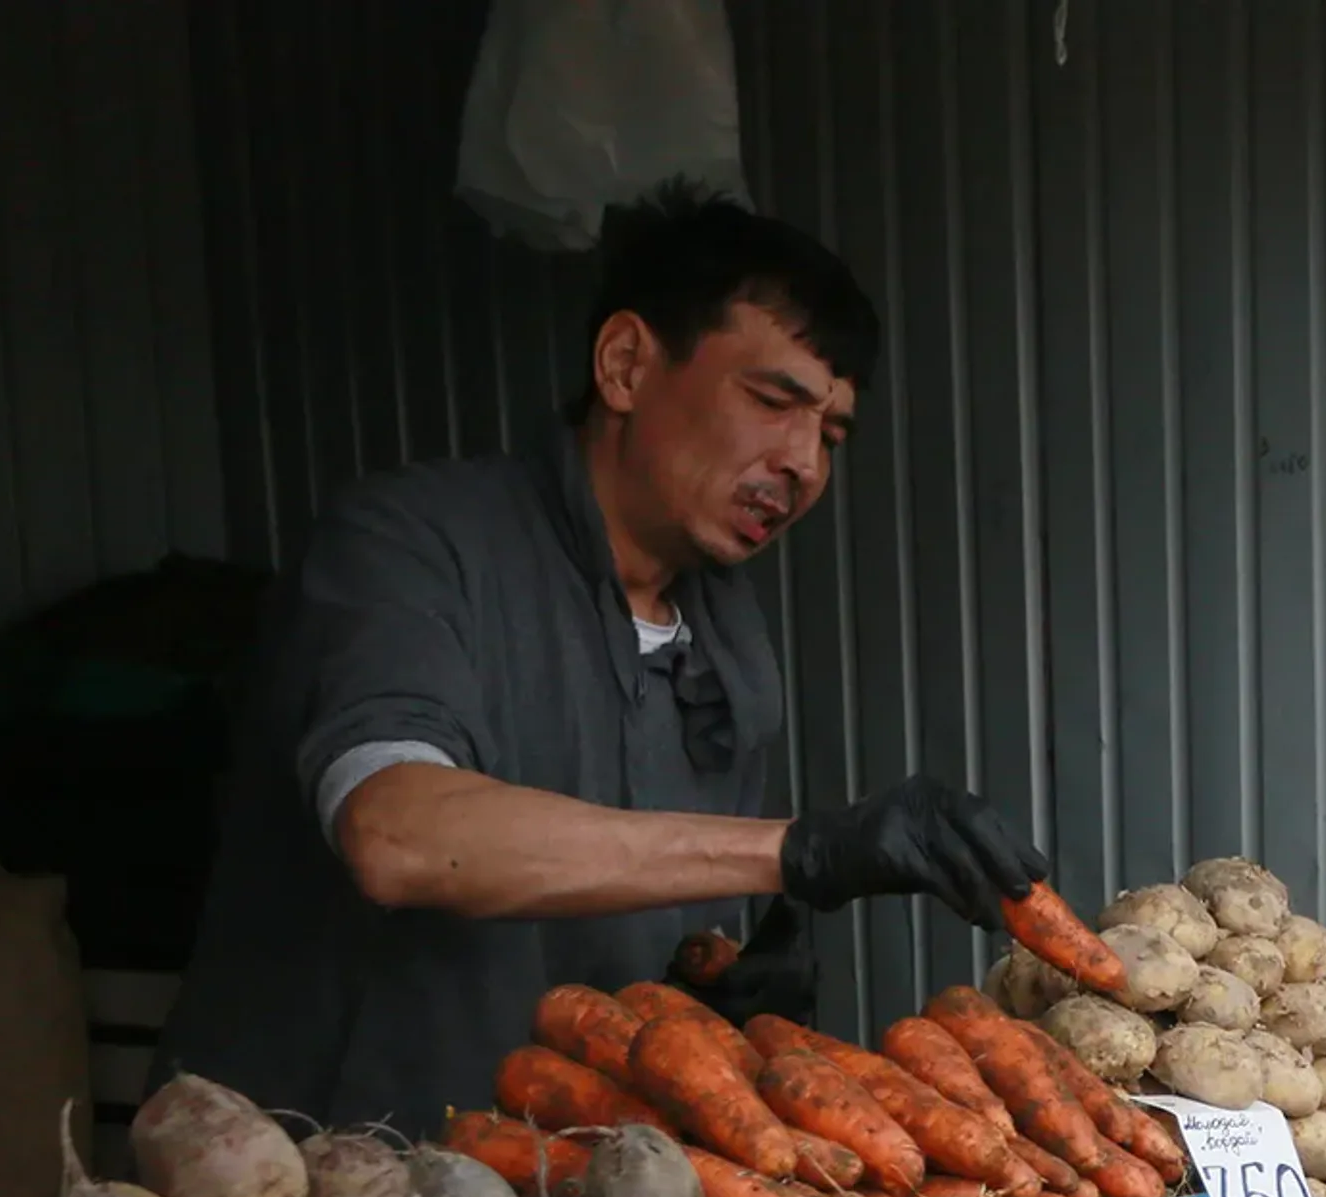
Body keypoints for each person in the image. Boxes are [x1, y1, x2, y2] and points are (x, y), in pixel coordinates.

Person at [162, 184, 1043, 1132]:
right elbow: (397, 837)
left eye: (830, 434)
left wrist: (720, 987)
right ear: (625, 366)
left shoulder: (731, 644)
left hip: (577, 1195)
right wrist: (794, 851)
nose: (803, 464)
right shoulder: (409, 544)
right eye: (771, 401)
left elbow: (650, 906)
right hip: (317, 1185)